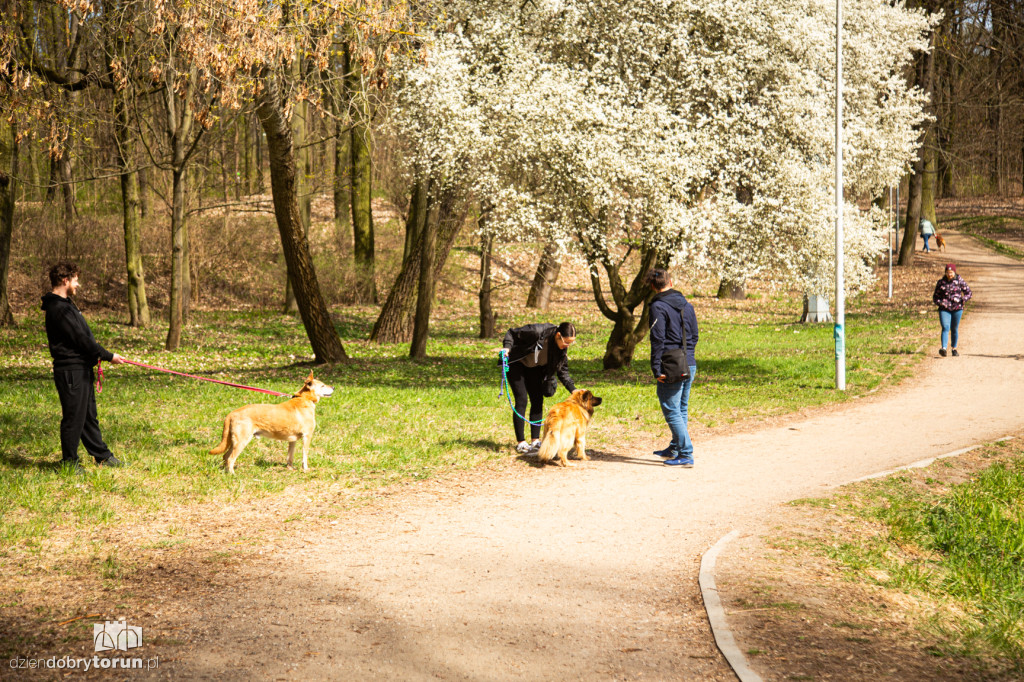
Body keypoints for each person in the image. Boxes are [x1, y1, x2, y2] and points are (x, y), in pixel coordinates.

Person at [42, 261, 127, 473]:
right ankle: (69, 463)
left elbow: (83, 339)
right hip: (71, 371)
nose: (78, 284)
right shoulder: (58, 309)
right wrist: (108, 356)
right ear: (65, 280)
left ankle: (102, 456)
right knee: (74, 417)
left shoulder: (66, 305)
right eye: (76, 280)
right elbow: (82, 340)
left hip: (81, 369)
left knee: (88, 415)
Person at [646, 268, 699, 468]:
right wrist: (688, 356)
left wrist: (656, 367)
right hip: (690, 362)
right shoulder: (687, 304)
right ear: (671, 281)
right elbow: (694, 335)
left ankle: (685, 453)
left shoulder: (658, 306)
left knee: (671, 409)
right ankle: (675, 448)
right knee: (681, 408)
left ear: (653, 286)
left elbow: (658, 339)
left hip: (670, 365)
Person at [501, 322, 577, 453]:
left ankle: (535, 441)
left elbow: (562, 372)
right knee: (522, 400)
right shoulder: (537, 331)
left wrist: (574, 390)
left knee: (537, 400)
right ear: (558, 335)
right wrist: (507, 348)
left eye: (571, 343)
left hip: (534, 367)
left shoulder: (561, 350)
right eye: (566, 342)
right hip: (517, 364)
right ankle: (521, 443)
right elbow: (511, 333)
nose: (567, 346)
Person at [932, 263, 972, 357]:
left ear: (954, 272)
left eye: (951, 272)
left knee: (954, 328)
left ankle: (954, 348)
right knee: (945, 327)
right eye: (948, 272)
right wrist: (940, 303)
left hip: (957, 308)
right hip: (944, 309)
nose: (949, 274)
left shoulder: (959, 281)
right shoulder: (941, 282)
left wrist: (963, 299)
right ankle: (944, 348)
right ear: (945, 272)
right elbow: (935, 297)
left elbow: (969, 292)